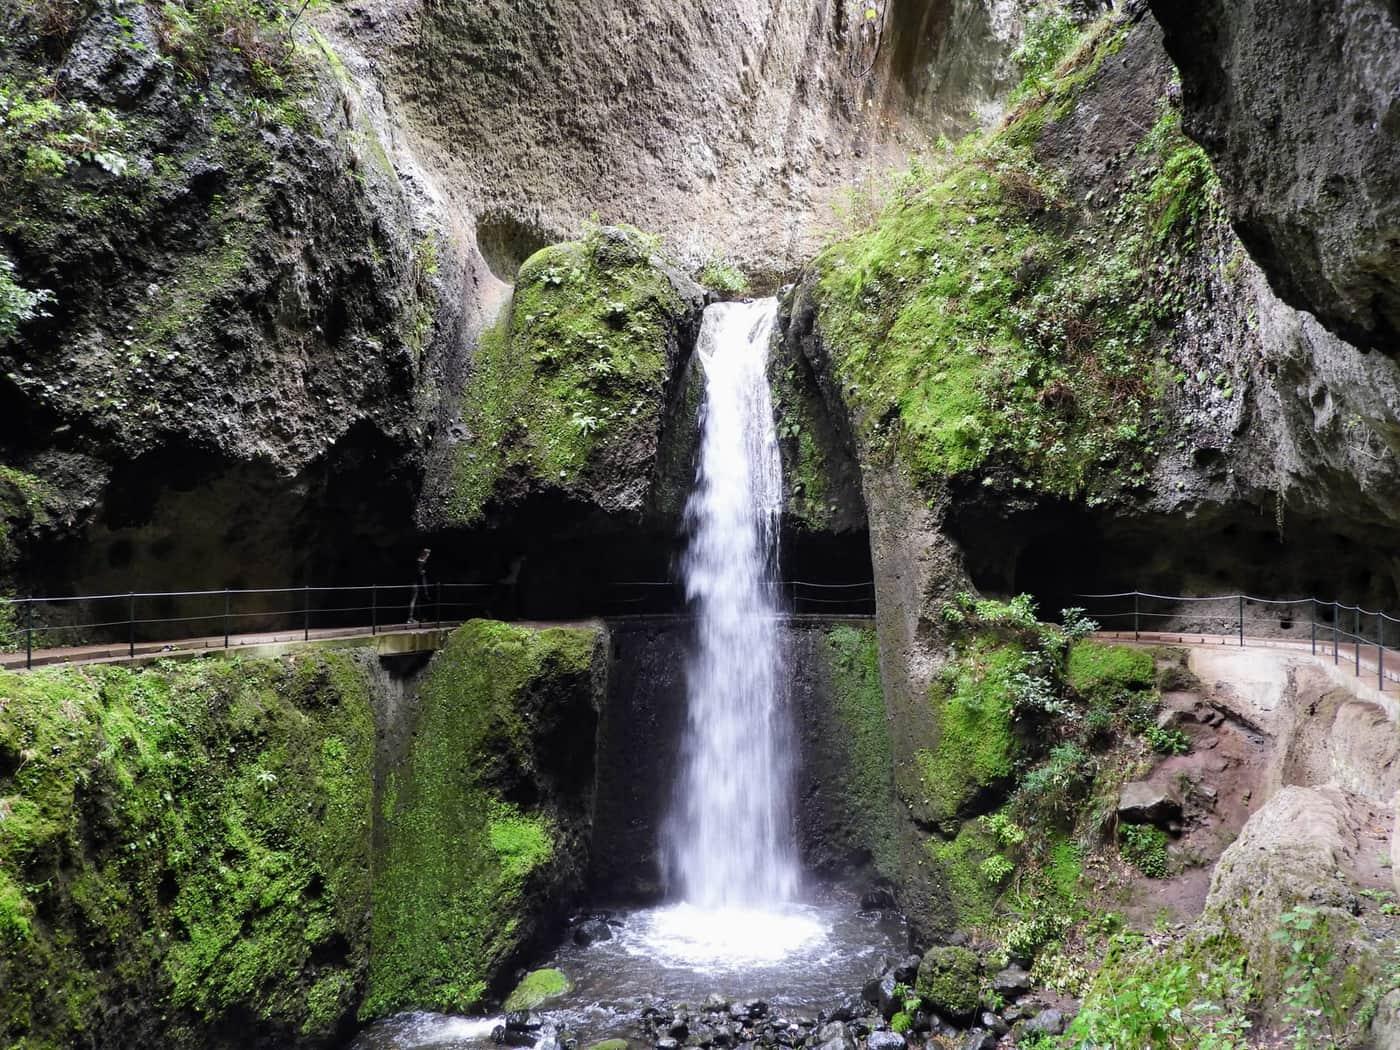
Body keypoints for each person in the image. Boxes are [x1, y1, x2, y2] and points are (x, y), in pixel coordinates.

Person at [407, 548, 431, 625]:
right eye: (427, 554)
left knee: (417, 602)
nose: (428, 555)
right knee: (414, 601)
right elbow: (420, 574)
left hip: (415, 584)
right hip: (416, 584)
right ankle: (410, 618)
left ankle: (417, 617)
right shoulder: (420, 562)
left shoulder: (417, 561)